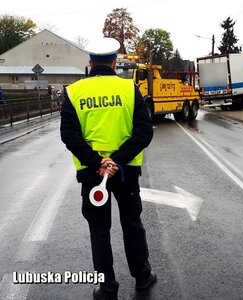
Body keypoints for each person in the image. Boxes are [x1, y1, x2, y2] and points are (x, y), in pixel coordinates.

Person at [60, 37, 156, 299]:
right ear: (115, 62)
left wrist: (98, 162)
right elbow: (144, 132)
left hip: (93, 175)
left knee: (99, 230)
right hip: (125, 172)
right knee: (132, 223)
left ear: (90, 63)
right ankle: (143, 277)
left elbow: (69, 136)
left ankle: (107, 287)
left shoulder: (74, 92)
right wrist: (117, 161)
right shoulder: (129, 89)